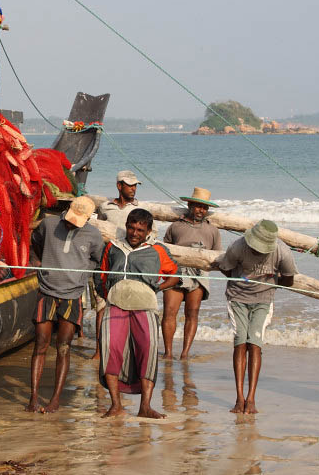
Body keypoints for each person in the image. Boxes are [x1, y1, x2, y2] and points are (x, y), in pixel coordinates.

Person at [94, 208, 179, 418]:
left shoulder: (157, 250)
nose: (134, 233)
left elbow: (175, 275)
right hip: (115, 304)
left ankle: (145, 407)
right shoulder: (113, 247)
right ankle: (115, 405)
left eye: (140, 230)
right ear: (126, 227)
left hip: (146, 306)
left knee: (147, 350)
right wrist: (108, 294)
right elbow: (101, 275)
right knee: (110, 348)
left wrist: (157, 288)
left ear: (148, 231)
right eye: (131, 228)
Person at [26, 196, 105, 413]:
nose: (72, 223)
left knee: (63, 347)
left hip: (72, 296)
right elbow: (36, 242)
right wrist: (39, 263)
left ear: (88, 219)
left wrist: (82, 274)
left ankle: (55, 400)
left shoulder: (94, 235)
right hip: (47, 291)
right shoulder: (49, 224)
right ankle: (33, 398)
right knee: (40, 344)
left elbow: (97, 260)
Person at [216, 219, 296, 414]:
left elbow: (289, 280)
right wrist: (243, 282)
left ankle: (251, 398)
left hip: (263, 299)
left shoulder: (282, 252)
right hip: (237, 298)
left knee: (255, 343)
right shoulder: (238, 246)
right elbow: (225, 268)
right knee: (240, 341)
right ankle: (239, 397)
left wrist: (269, 280)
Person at [92, 170, 149, 359]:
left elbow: (151, 235)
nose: (133, 189)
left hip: (130, 265)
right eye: (129, 185)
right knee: (102, 306)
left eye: (135, 185)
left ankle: (124, 349)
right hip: (108, 261)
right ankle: (100, 350)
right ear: (119, 186)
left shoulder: (141, 210)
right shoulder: (106, 207)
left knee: (128, 306)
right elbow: (98, 229)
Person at [161, 187, 222, 360]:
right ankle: (168, 352)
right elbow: (166, 250)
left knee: (192, 313)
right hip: (177, 271)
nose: (201, 211)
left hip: (199, 274)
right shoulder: (176, 226)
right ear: (189, 204)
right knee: (169, 312)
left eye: (204, 208)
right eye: (197, 206)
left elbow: (217, 256)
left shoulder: (213, 231)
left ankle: (185, 353)